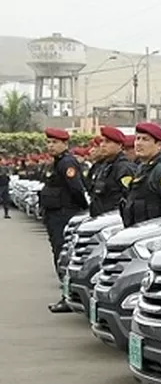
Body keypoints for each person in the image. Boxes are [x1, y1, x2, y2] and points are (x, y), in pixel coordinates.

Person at [41, 128, 89, 313]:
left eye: (54, 142)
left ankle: (67, 296)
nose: (50, 146)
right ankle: (68, 294)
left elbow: (77, 189)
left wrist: (82, 208)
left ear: (65, 144)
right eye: (49, 142)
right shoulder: (57, 162)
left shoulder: (67, 163)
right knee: (59, 254)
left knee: (63, 255)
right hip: (55, 214)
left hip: (64, 214)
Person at [120, 122, 161, 228]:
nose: (138, 143)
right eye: (138, 138)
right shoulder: (142, 168)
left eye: (145, 139)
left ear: (159, 145)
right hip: (139, 233)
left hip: (154, 236)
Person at [89, 127, 137, 218]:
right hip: (99, 218)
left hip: (114, 221)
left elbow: (129, 198)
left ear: (119, 145)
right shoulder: (103, 166)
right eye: (102, 142)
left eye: (107, 142)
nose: (103, 145)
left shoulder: (124, 168)